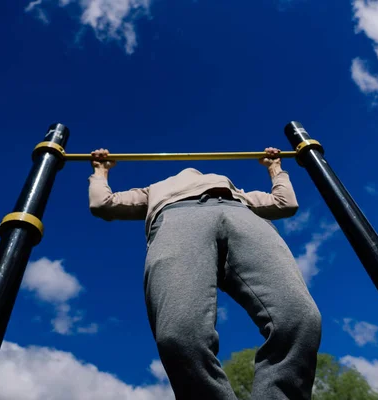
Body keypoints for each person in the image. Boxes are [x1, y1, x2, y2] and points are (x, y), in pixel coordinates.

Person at [88, 147, 322, 400]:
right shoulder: (153, 189)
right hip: (177, 215)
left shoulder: (237, 192)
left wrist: (275, 168)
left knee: (299, 318)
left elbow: (285, 203)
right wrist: (100, 171)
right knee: (179, 335)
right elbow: (103, 204)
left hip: (239, 211)